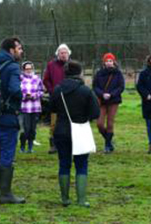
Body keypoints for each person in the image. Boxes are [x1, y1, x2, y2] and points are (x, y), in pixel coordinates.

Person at [51, 60, 100, 206]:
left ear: (65, 73)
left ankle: (65, 199)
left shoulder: (57, 89)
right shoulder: (85, 91)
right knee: (81, 164)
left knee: (64, 164)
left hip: (61, 130)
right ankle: (81, 200)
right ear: (79, 73)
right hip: (80, 130)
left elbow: (52, 109)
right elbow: (95, 113)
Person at [0, 37, 26, 204]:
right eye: (19, 48)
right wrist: (22, 95)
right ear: (11, 50)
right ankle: (6, 194)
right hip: (8, 117)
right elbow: (14, 90)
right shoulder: (13, 67)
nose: (21, 51)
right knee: (7, 153)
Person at [92, 53, 125, 153]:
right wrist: (102, 94)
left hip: (113, 100)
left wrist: (111, 94)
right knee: (99, 124)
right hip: (102, 101)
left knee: (110, 123)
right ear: (104, 62)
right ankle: (109, 140)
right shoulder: (99, 73)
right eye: (107, 61)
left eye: (110, 61)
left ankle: (107, 145)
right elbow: (95, 86)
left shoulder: (118, 73)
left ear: (113, 62)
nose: (109, 63)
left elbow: (121, 86)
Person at [42, 44, 70, 154]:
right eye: (61, 53)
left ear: (69, 54)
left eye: (65, 52)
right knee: (54, 121)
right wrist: (52, 91)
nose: (63, 55)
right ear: (58, 54)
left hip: (69, 97)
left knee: (68, 121)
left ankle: (67, 143)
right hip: (55, 98)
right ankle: (53, 144)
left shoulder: (72, 65)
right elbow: (46, 79)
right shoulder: (51, 65)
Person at [19, 61, 43, 153]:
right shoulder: (20, 79)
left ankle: (30, 147)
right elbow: (17, 92)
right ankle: (22, 147)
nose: (28, 70)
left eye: (30, 68)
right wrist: (25, 96)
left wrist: (34, 95)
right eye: (26, 69)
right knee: (25, 129)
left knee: (33, 129)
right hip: (24, 107)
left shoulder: (37, 78)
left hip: (35, 107)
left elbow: (41, 91)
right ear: (23, 69)